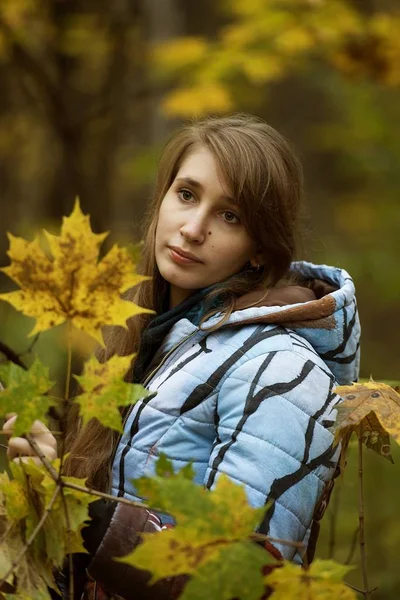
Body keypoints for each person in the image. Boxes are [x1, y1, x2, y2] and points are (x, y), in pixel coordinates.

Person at [3, 114, 360, 599]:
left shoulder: (282, 370)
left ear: (259, 250)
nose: (193, 229)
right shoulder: (151, 339)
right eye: (187, 194)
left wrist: (79, 510)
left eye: (230, 216)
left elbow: (239, 580)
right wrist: (45, 490)